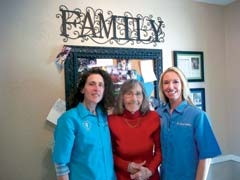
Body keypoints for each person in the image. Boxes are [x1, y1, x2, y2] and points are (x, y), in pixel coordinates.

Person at [156, 67, 221, 180]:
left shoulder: (198, 116)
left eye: (175, 82)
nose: (170, 86)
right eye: (166, 83)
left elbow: (206, 156)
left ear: (182, 85)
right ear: (162, 87)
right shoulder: (159, 114)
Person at [52, 68, 116, 180]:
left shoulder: (104, 117)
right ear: (82, 89)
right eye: (92, 84)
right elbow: (61, 164)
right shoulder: (69, 119)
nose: (97, 89)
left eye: (101, 85)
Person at [108, 79, 162, 180]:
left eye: (138, 94)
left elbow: (160, 151)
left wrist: (149, 170)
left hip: (150, 176)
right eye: (129, 94)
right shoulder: (111, 121)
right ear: (122, 98)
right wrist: (126, 166)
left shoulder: (153, 117)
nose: (134, 98)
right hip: (123, 176)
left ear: (143, 97)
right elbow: (108, 154)